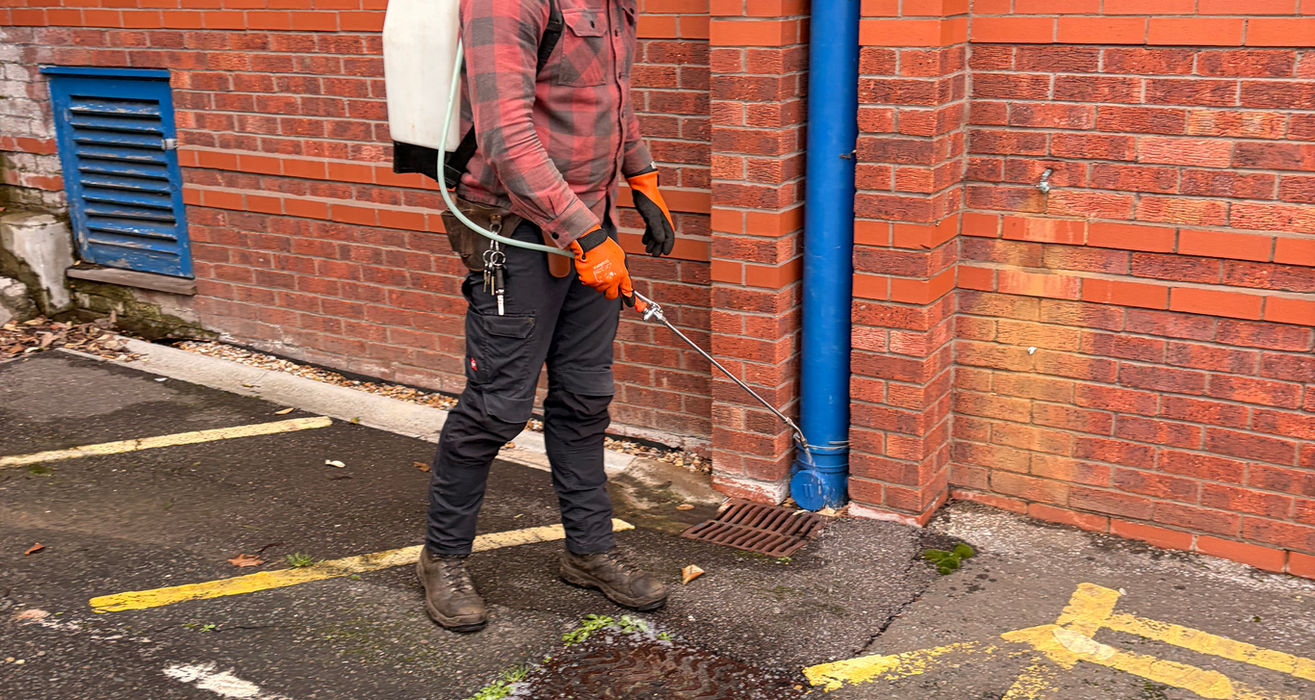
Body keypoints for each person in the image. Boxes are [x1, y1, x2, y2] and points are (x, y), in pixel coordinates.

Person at [416, 0, 679, 632]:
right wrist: (583, 235)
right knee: (496, 406)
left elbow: (612, 101)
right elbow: (507, 135)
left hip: (592, 226)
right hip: (517, 232)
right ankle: (441, 558)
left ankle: (588, 551)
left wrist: (643, 181)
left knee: (586, 398)